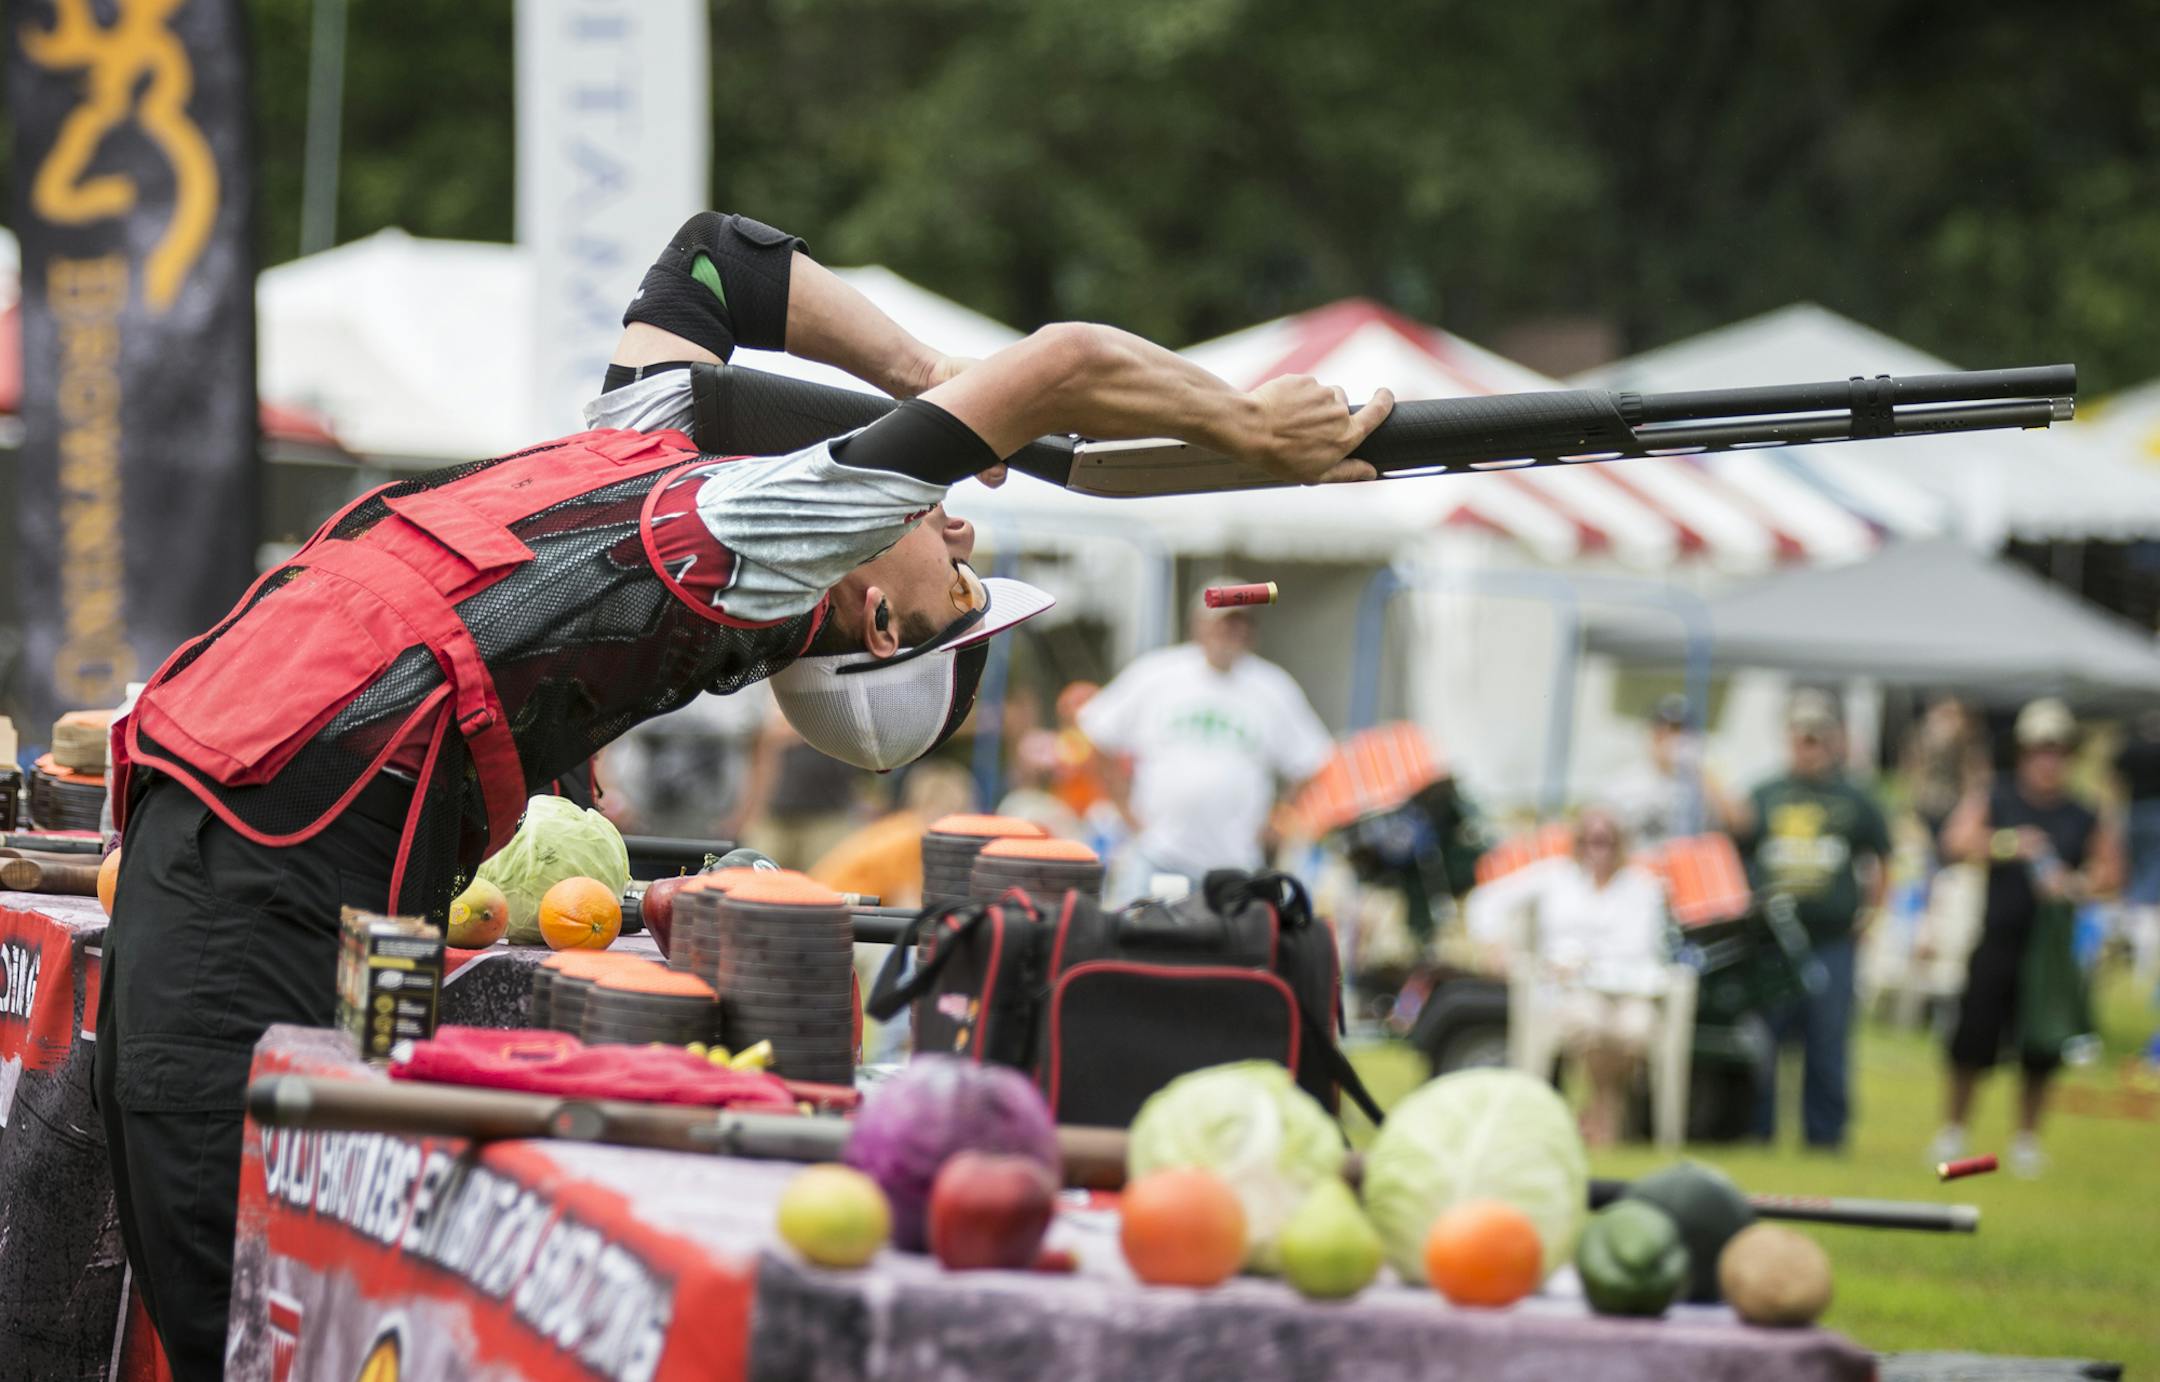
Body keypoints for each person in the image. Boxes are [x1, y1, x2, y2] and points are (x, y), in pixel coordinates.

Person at [97, 210, 1394, 1376]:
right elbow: (723, 259)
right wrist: (952, 386)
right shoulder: (661, 453)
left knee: (250, 1296)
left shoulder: (765, 539)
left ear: (875, 621)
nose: (962, 532)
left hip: (250, 824)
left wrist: (1245, 426)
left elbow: (1053, 366)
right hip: (254, 828)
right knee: (247, 1291)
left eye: (959, 588)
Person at [1932, 698, 2119, 1178]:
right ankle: (1954, 1132)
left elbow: (2111, 871)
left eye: (2058, 749)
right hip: (1998, 938)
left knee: (2041, 1049)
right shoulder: (1998, 796)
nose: (2048, 758)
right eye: (2040, 748)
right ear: (2024, 752)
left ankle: (2026, 1142)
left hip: (2050, 952)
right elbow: (1955, 842)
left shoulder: (2082, 811)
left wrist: (2075, 884)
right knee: (1972, 1042)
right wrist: (2011, 845)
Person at [1078, 580, 1337, 903]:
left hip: (1235, 863)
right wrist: (1124, 807)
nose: (1232, 632)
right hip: (1158, 853)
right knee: (1142, 945)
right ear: (1199, 626)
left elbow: (1313, 759)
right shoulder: (1158, 674)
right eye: (1224, 623)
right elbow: (1099, 732)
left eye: (1242, 623)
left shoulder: (1271, 687)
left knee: (1226, 951)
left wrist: (1279, 818)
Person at [1729, 688, 1890, 1151]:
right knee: (1766, 1038)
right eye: (1802, 736)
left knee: (1827, 1040)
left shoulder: (1854, 798)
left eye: (1818, 737)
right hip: (1773, 941)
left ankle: (1825, 1136)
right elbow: (1735, 845)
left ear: (1834, 740)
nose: (1810, 745)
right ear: (1789, 738)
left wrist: (1872, 915)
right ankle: (1756, 1131)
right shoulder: (1764, 793)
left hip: (1833, 939)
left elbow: (1882, 858)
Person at [1464, 806, 1671, 1146]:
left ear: (1620, 844)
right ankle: (1607, 1113)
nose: (1597, 849)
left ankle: (1596, 1111)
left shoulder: (1643, 888)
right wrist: (1495, 945)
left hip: (1631, 988)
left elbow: (1642, 948)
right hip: (1568, 989)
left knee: (1636, 1028)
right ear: (1578, 843)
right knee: (1588, 1022)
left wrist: (1586, 961)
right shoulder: (1554, 877)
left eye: (1606, 841)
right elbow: (1486, 901)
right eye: (1590, 841)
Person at [726, 702, 868, 868]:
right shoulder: (776, 716)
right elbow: (760, 769)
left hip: (827, 819)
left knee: (828, 879)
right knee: (757, 876)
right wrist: (745, 815)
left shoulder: (841, 715)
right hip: (776, 818)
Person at [1610, 693, 1728, 846]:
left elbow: (1739, 825)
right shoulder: (1623, 783)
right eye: (1662, 729)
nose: (1670, 738)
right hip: (1643, 865)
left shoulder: (1703, 780)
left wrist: (1697, 771)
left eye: (1677, 730)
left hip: (1687, 865)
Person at [2113, 709, 2160, 995]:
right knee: (2148, 884)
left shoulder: (2130, 747)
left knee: (2141, 879)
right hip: (2148, 814)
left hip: (2136, 814)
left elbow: (2115, 779)